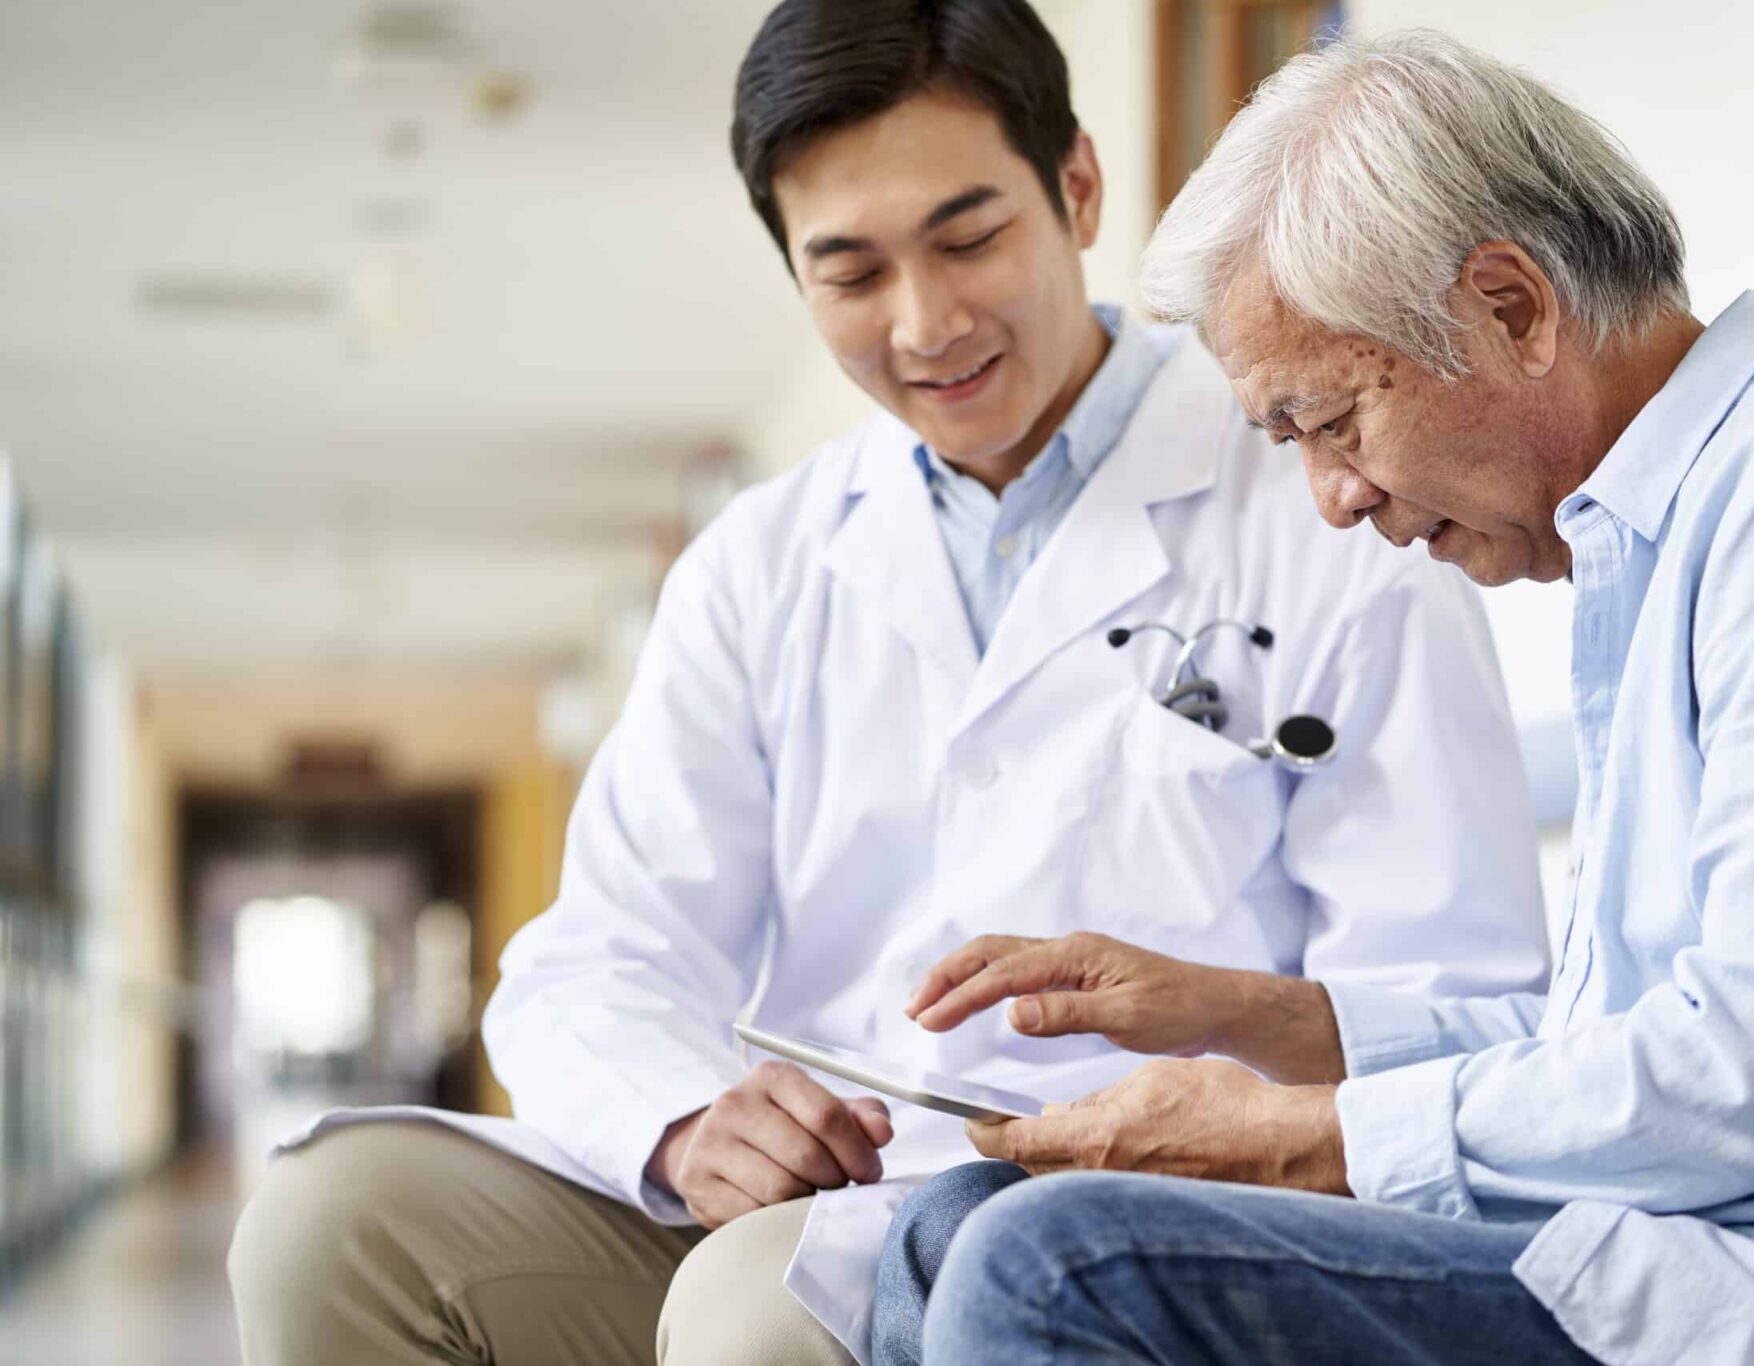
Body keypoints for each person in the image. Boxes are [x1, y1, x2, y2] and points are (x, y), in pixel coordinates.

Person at [225, 7, 1550, 1365]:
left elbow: (1452, 986)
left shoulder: (1331, 504)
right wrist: (686, 1122)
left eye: (969, 239)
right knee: (337, 1220)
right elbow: (602, 959)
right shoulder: (763, 563)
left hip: (1162, 1205)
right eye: (851, 271)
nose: (926, 322)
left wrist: (1227, 1064)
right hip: (825, 1194)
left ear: (1078, 190)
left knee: (758, 1308)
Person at [871, 28, 1754, 1366]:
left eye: (1334, 421)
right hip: (1684, 1240)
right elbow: (1624, 1038)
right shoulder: (1652, 552)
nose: (1334, 497)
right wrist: (1248, 1018)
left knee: (1054, 1260)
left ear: (1512, 309)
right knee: (954, 1219)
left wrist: (1305, 1140)